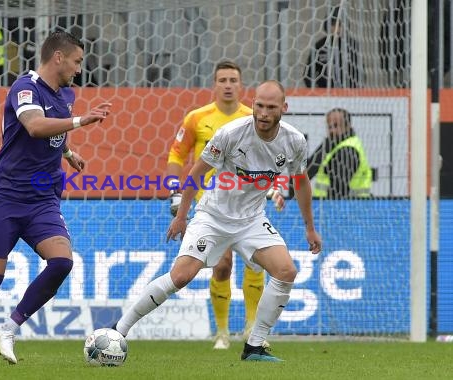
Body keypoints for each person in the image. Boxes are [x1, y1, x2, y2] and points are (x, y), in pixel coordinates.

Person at [114, 80, 322, 362]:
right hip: (212, 217)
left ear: (283, 108)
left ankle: (255, 346)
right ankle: (118, 331)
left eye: (270, 107)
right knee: (181, 277)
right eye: (259, 105)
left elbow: (301, 183)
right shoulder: (231, 133)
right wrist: (183, 215)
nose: (262, 113)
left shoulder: (294, 141)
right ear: (253, 103)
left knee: (286, 271)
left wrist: (310, 228)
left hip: (251, 220)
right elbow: (197, 174)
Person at [0, 30, 112, 366]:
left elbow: (51, 130)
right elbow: (34, 126)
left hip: (43, 198)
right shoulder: (24, 87)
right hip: (6, 196)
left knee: (62, 261)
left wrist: (67, 151)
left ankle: (9, 327)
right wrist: (81, 121)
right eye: (77, 61)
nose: (80, 68)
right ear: (58, 57)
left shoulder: (67, 94)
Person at [167, 60, 284, 350]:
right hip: (210, 206)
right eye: (223, 80)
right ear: (214, 85)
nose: (228, 85)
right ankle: (221, 332)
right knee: (222, 266)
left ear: (241, 85)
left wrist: (278, 188)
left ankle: (250, 328)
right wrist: (174, 194)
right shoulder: (197, 117)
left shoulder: (254, 117)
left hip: (248, 205)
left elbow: (275, 158)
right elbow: (177, 155)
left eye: (233, 79)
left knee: (256, 263)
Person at [307, 108, 372, 198]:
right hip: (328, 205)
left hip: (345, 207)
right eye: (329, 127)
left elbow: (338, 188)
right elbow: (307, 170)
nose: (332, 130)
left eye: (336, 126)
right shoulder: (331, 144)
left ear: (347, 126)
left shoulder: (348, 149)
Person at [304, 6, 364, 88]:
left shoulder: (352, 45)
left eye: (339, 24)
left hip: (349, 94)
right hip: (325, 94)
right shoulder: (320, 46)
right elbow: (308, 73)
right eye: (333, 24)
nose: (336, 28)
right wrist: (317, 93)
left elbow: (360, 73)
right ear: (327, 25)